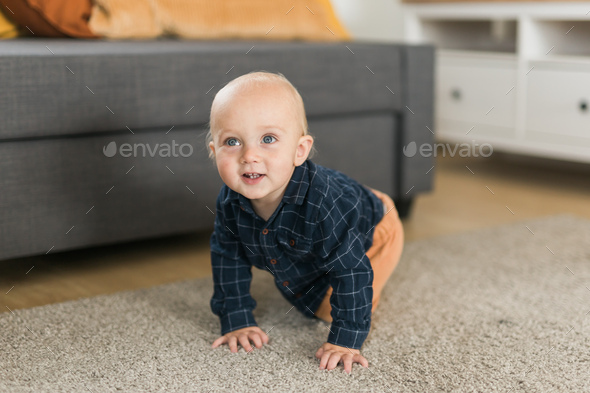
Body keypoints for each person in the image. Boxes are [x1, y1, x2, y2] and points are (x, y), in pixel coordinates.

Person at [207, 71, 404, 374]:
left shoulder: (322, 203)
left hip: (376, 226)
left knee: (326, 309)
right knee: (304, 278)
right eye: (232, 141)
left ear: (300, 150)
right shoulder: (229, 200)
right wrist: (236, 318)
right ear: (213, 151)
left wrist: (346, 340)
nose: (249, 156)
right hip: (330, 223)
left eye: (268, 139)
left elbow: (350, 269)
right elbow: (227, 256)